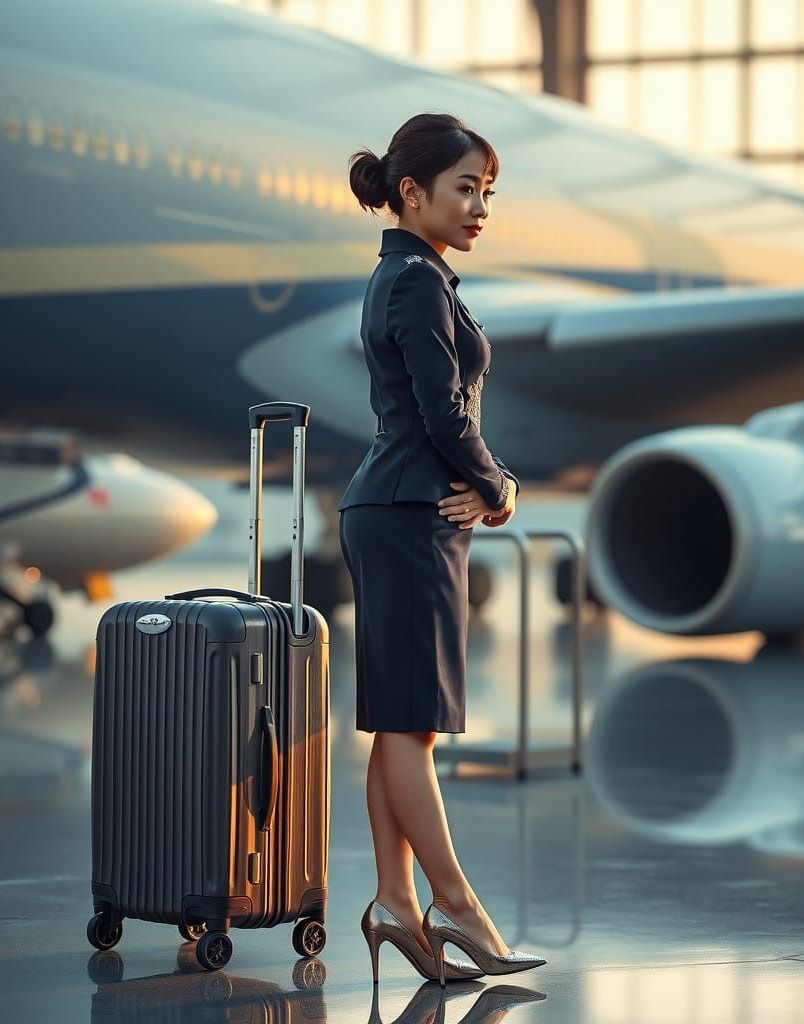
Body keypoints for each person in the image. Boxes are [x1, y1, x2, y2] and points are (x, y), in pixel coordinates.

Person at [336, 112, 547, 987]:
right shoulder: (420, 283)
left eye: (487, 191)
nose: (480, 207)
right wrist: (498, 485)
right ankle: (456, 904)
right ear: (411, 193)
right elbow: (443, 415)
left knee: (397, 723)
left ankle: (395, 897)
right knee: (412, 727)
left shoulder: (408, 275)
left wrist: (489, 485)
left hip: (396, 505)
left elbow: (433, 415)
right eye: (466, 188)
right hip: (412, 512)